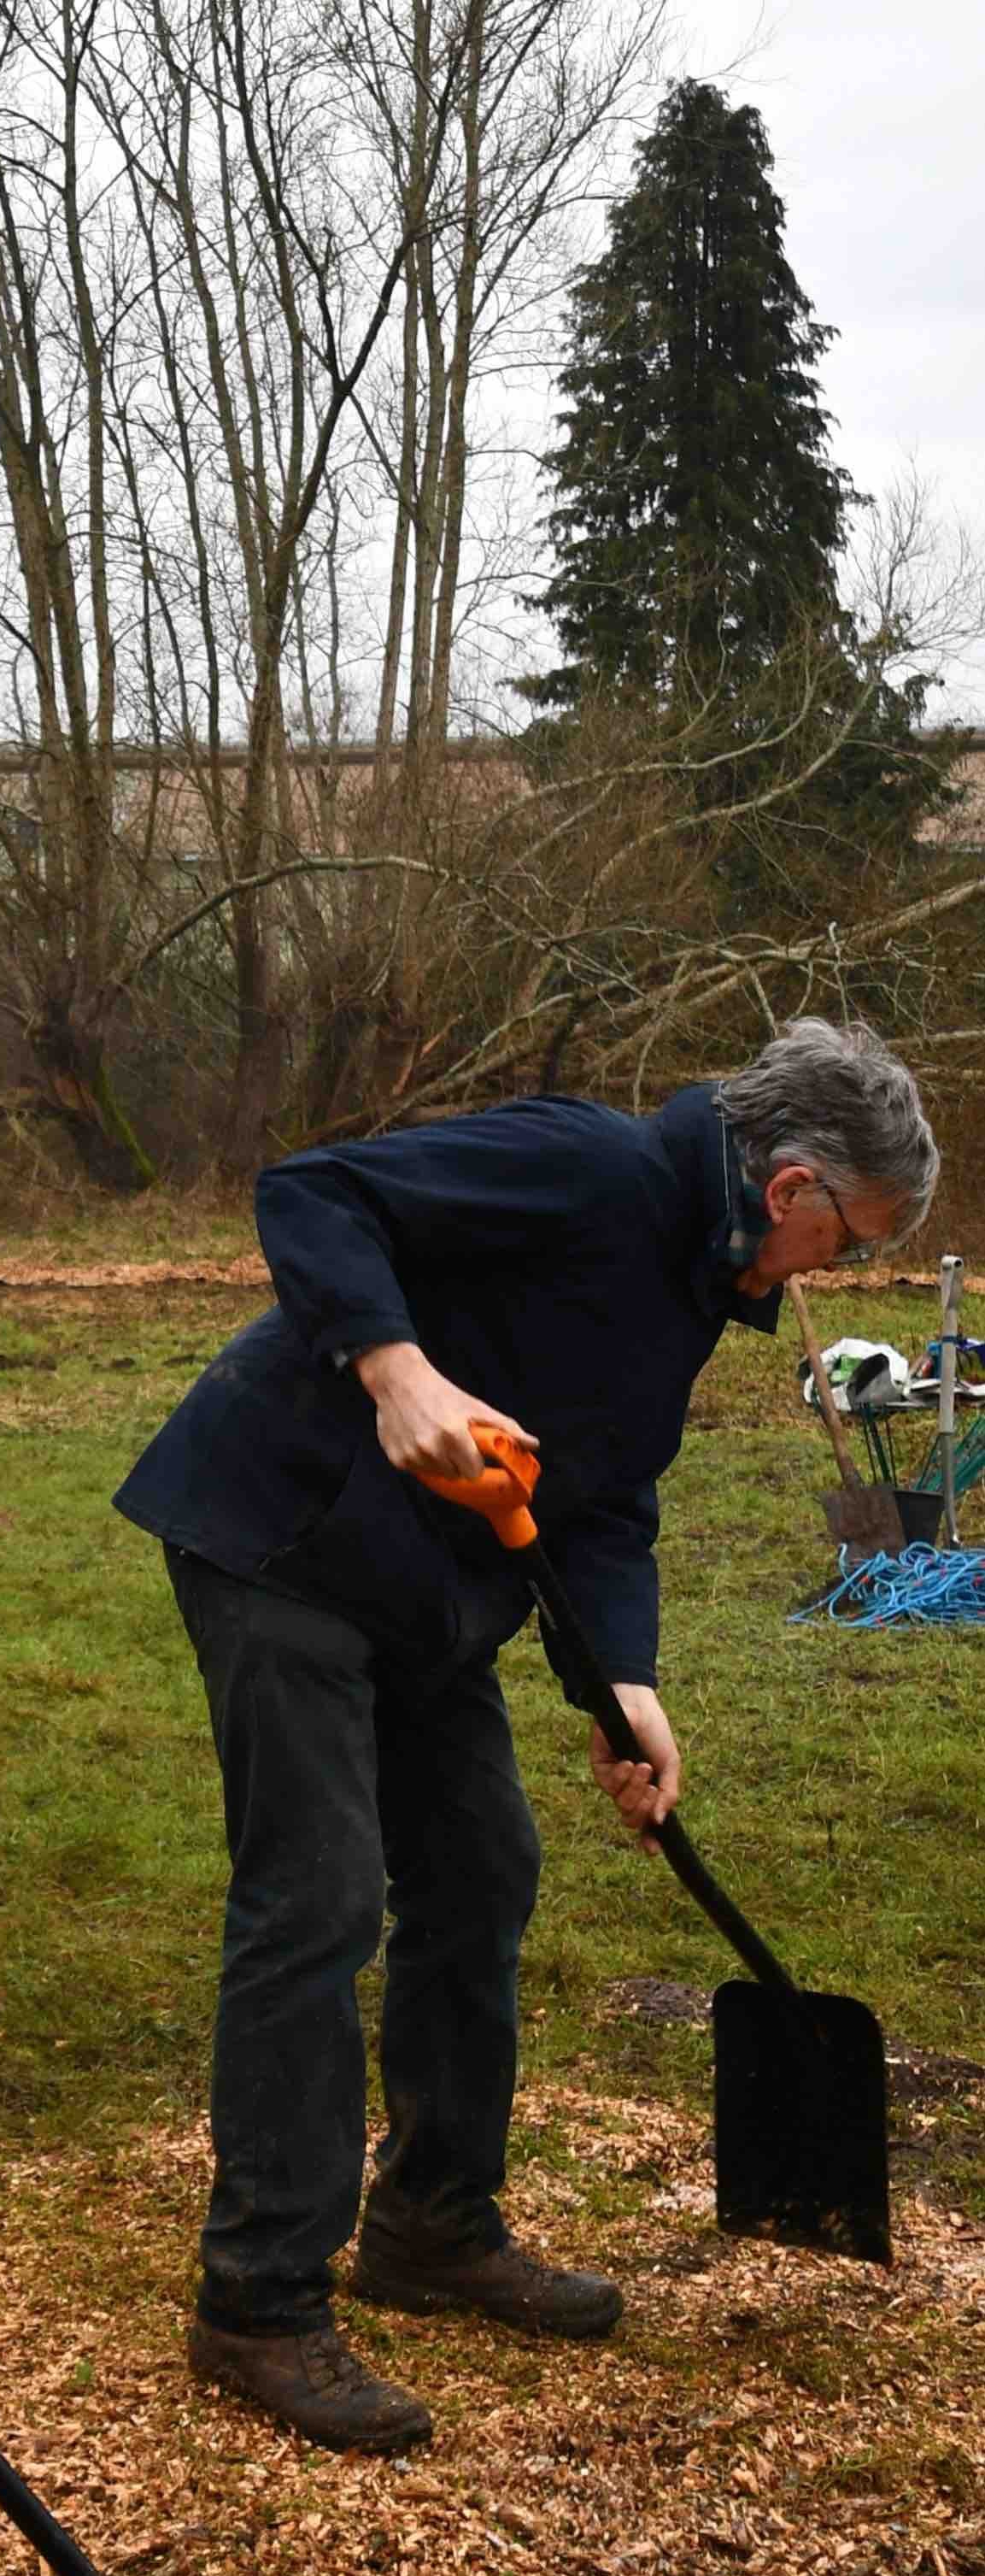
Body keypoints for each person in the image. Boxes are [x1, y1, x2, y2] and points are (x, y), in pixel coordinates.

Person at [113, 1019, 936, 2454]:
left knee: (481, 1870)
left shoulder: (688, 1283)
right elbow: (313, 1193)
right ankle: (257, 2302)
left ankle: (431, 2224)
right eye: (849, 1242)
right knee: (316, 1902)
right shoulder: (585, 1166)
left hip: (427, 1588)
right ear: (791, 1187)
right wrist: (396, 1372)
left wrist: (621, 1680)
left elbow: (602, 1496)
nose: (835, 1271)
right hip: (284, 1537)